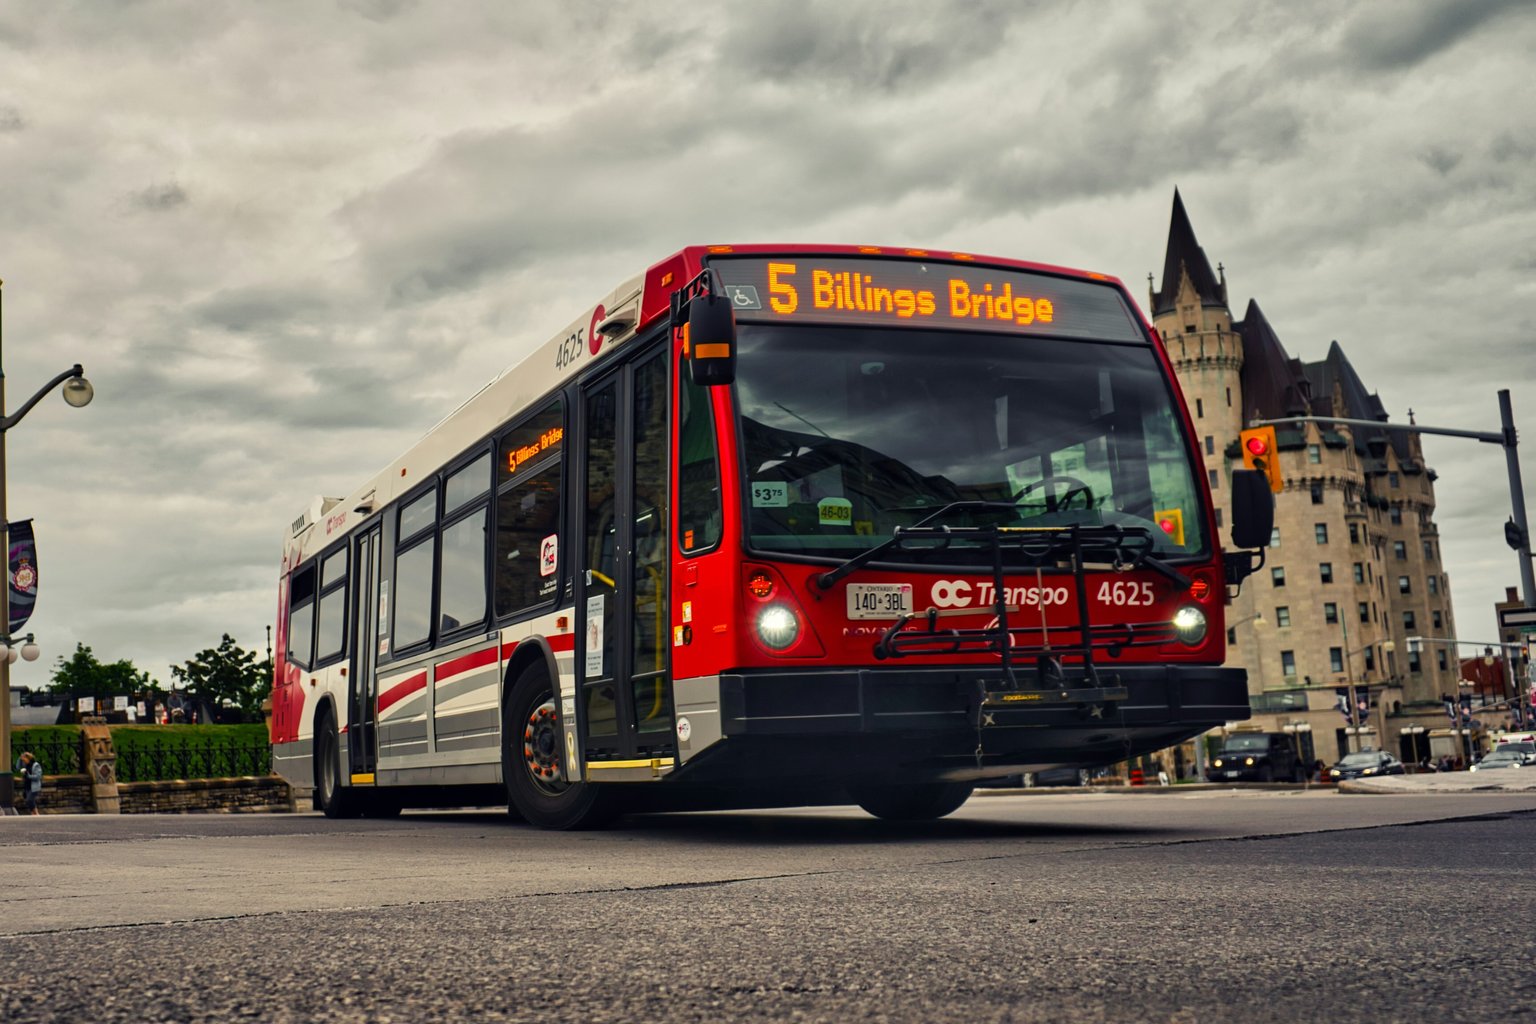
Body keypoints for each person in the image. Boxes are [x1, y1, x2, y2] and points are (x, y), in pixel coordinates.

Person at [15, 751, 42, 815]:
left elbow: (38, 776)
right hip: (27, 785)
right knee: (30, 801)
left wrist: (28, 776)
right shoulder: (25, 765)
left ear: (28, 758)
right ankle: (34, 813)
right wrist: (20, 759)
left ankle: (36, 813)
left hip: (34, 786)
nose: (24, 761)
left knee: (29, 799)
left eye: (25, 759)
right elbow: (17, 767)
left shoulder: (35, 765)